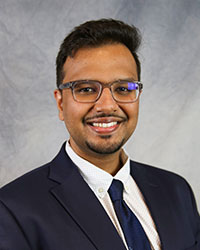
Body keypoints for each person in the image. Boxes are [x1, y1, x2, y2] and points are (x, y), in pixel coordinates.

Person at [0, 19, 199, 250]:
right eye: (86, 89)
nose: (107, 105)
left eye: (123, 88)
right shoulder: (13, 209)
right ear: (60, 103)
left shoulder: (176, 190)